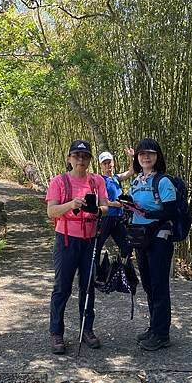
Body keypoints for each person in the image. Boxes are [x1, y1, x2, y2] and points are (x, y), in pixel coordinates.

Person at [46, 140, 109, 355]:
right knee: (62, 287)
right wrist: (71, 205)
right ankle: (56, 333)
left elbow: (105, 207)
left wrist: (97, 210)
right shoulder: (59, 181)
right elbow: (51, 211)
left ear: (90, 160)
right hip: (66, 240)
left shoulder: (97, 181)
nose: (80, 160)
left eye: (84, 156)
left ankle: (87, 329)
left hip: (90, 240)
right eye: (76, 156)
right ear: (69, 158)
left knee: (88, 286)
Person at [129, 138, 178, 351]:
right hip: (141, 237)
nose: (145, 157)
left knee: (159, 285)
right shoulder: (137, 181)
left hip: (159, 237)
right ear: (137, 158)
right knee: (148, 284)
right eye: (141, 154)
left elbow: (171, 211)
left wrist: (148, 213)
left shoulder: (163, 181)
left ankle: (162, 333)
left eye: (150, 153)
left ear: (157, 156)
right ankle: (153, 327)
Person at [97, 148, 135, 258]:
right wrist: (114, 204)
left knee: (127, 247)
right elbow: (99, 200)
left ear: (113, 163)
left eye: (109, 162)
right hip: (106, 217)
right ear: (101, 166)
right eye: (105, 163)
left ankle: (122, 269)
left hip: (119, 218)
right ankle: (96, 271)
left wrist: (131, 157)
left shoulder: (116, 178)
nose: (108, 165)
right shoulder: (100, 180)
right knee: (98, 245)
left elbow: (131, 171)